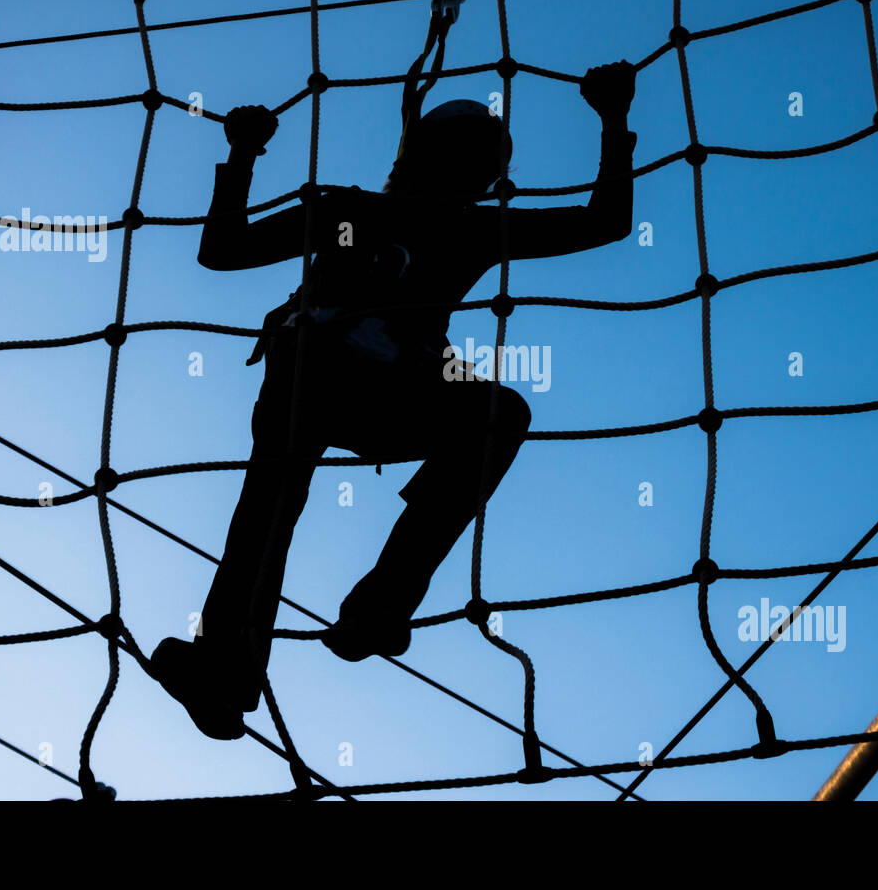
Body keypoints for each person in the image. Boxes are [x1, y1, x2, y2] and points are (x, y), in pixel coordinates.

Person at [152, 60, 637, 740]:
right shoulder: (354, 212)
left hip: (387, 390)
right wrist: (240, 156)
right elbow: (223, 250)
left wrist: (614, 123)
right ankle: (229, 664)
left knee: (494, 415)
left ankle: (378, 608)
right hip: (315, 375)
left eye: (479, 163)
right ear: (426, 157)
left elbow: (605, 223)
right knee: (270, 504)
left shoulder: (460, 227)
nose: (468, 173)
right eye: (461, 156)